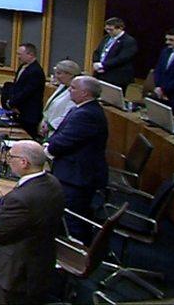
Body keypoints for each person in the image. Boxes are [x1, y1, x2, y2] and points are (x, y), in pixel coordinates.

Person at [0, 140, 65, 305]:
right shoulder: (53, 182)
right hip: (42, 261)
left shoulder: (20, 199)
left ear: (24, 163)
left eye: (11, 156)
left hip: (17, 273)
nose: (8, 160)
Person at [44, 75, 109, 242]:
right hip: (74, 169)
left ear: (85, 93)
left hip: (77, 176)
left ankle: (78, 254)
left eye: (73, 88)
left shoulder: (87, 114)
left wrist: (48, 147)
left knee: (72, 218)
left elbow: (65, 141)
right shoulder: (82, 109)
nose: (69, 90)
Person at [1, 43, 46, 139]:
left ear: (30, 54)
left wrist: (11, 103)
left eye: (20, 54)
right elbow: (17, 86)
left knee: (28, 138)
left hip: (29, 113)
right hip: (19, 110)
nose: (18, 57)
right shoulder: (23, 67)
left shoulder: (35, 71)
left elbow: (26, 92)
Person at [91, 17, 138, 91]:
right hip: (100, 74)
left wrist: (103, 65)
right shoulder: (106, 38)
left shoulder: (129, 41)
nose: (108, 32)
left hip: (116, 76)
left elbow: (122, 58)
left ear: (120, 28)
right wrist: (95, 62)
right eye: (107, 29)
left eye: (111, 30)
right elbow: (97, 51)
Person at [39, 60, 82, 138]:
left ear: (70, 74)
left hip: (60, 131)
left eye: (59, 73)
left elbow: (68, 114)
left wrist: (50, 126)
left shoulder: (75, 91)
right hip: (49, 128)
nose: (56, 76)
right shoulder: (62, 86)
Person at [153, 27, 174, 116]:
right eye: (167, 39)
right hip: (161, 92)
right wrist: (159, 87)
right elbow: (158, 70)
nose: (167, 42)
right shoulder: (165, 51)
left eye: (171, 40)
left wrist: (164, 89)